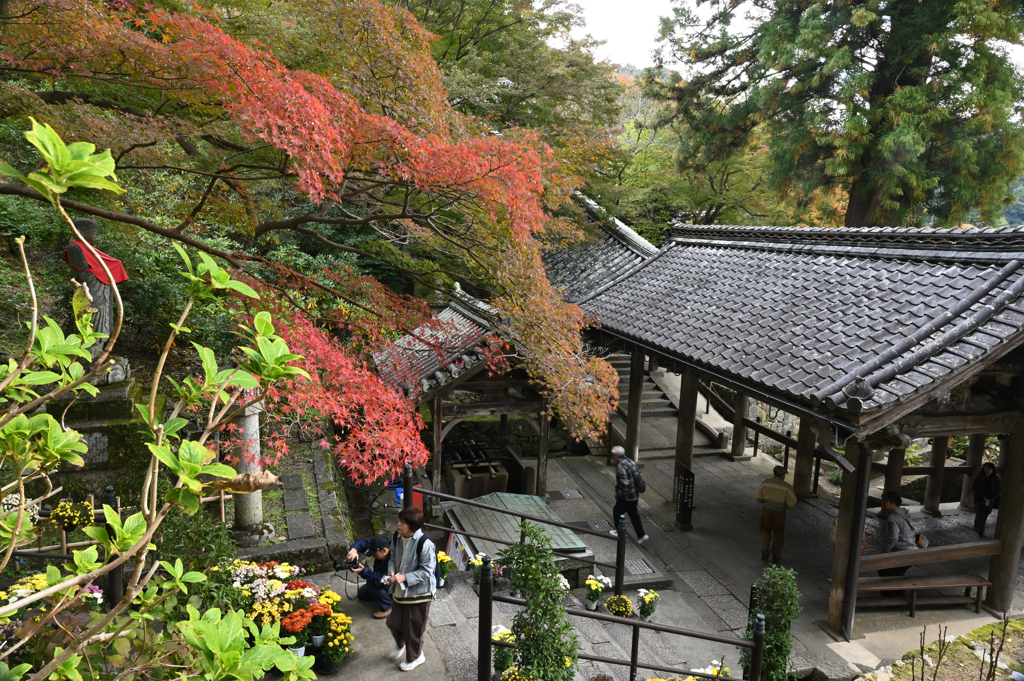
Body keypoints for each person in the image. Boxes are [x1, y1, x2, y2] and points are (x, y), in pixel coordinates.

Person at [386, 506, 437, 672]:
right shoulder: (397, 536)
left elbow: (427, 571)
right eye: (399, 521)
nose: (398, 525)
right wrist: (392, 571)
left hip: (420, 592)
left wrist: (404, 577)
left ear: (413, 526)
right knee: (393, 622)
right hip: (401, 589)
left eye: (403, 523)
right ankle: (401, 643)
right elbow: (392, 557)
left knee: (413, 627)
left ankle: (415, 656)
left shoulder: (425, 544)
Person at [755, 465, 797, 564]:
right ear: (782, 475)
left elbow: (758, 496)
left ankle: (765, 549)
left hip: (767, 510)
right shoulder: (787, 487)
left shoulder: (766, 483)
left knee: (764, 530)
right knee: (778, 533)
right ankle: (776, 555)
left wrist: (765, 501)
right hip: (779, 513)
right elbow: (792, 503)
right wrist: (785, 507)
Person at [344, 534, 393, 618]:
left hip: (392, 584)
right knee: (361, 594)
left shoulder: (395, 558)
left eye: (374, 553)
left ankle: (388, 607)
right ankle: (382, 596)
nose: (372, 555)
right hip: (381, 576)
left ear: (384, 550)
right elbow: (362, 543)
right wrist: (353, 550)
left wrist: (364, 572)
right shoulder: (382, 543)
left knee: (371, 582)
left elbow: (385, 580)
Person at [608, 446, 649, 544]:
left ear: (616, 456)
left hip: (627, 496)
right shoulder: (630, 461)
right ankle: (641, 535)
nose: (613, 457)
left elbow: (624, 484)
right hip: (635, 494)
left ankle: (620, 532)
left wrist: (620, 496)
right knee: (633, 514)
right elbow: (639, 473)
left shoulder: (621, 466)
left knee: (617, 511)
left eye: (613, 455)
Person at [879, 491, 918, 577]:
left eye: (885, 501)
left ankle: (891, 590)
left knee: (883, 570)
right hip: (913, 550)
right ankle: (899, 589)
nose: (884, 504)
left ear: (892, 503)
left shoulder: (893, 517)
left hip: (903, 552)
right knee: (897, 572)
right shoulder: (906, 514)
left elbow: (892, 538)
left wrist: (884, 551)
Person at [972, 462, 1000, 538]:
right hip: (979, 499)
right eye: (986, 468)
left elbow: (998, 490)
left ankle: (977, 527)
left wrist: (992, 498)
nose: (987, 470)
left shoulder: (995, 479)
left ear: (992, 470)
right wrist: (983, 496)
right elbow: (975, 488)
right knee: (980, 513)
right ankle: (980, 531)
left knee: (985, 514)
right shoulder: (979, 477)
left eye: (989, 469)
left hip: (990, 500)